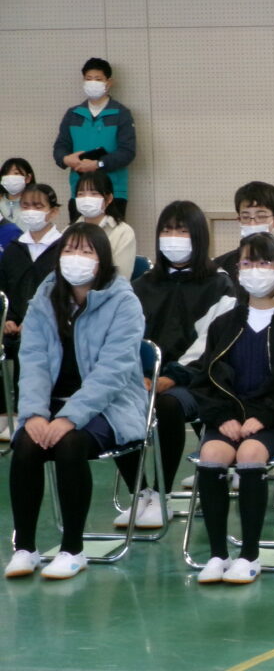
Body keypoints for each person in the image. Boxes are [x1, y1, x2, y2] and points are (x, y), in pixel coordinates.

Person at [4, 224, 147, 580]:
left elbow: (113, 372)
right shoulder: (44, 298)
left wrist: (69, 417)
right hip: (51, 403)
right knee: (25, 444)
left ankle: (72, 549)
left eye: (86, 251)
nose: (76, 258)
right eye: (69, 250)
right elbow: (33, 361)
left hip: (110, 404)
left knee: (70, 444)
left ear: (102, 260)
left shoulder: (123, 301)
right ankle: (25, 548)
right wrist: (33, 414)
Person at [189, 233, 274, 584]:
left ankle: (249, 555)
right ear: (238, 270)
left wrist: (264, 417)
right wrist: (222, 417)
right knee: (212, 453)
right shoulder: (224, 325)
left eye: (264, 262)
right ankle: (218, 554)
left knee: (250, 453)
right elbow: (205, 380)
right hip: (231, 419)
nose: (255, 270)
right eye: (248, 262)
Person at [110, 201, 237, 528]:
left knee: (166, 405)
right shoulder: (141, 285)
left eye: (182, 230)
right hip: (141, 379)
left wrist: (170, 377)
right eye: (167, 230)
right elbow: (124, 337)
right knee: (115, 401)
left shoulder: (220, 284)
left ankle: (161, 493)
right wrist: (135, 377)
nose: (173, 237)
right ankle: (140, 492)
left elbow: (210, 344)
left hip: (196, 381)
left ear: (198, 237)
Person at [0, 184, 63, 441]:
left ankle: (27, 413)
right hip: (13, 323)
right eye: (26, 206)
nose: (31, 211)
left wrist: (33, 322)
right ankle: (4, 412)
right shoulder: (14, 248)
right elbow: (4, 290)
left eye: (38, 206)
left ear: (53, 211)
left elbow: (62, 294)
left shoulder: (62, 248)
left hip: (51, 323)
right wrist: (7, 319)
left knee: (29, 346)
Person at [53, 57, 136, 221]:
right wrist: (66, 159)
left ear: (109, 82)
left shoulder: (121, 113)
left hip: (113, 191)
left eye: (98, 79)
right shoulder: (73, 114)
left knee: (112, 234)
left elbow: (127, 152)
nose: (93, 83)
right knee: (78, 234)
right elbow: (60, 147)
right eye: (88, 79)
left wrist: (98, 164)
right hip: (79, 190)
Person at [214, 181, 274, 314]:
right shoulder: (222, 265)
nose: (252, 223)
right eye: (246, 217)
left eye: (261, 216)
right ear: (239, 220)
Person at [73, 170, 136, 279]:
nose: (87, 199)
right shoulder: (69, 231)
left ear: (109, 198)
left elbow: (121, 275)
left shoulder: (123, 232)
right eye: (81, 194)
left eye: (94, 193)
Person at [1, 157, 35, 226]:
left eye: (16, 173)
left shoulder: (36, 204)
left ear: (28, 178)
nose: (10, 177)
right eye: (6, 174)